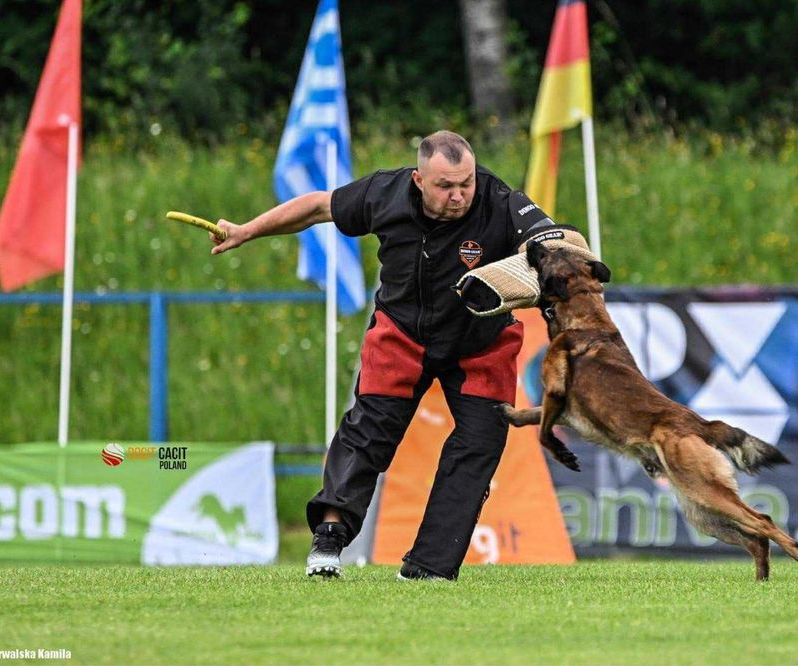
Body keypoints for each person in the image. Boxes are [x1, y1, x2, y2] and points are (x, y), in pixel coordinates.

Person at [211, 130, 555, 581]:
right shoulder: (382, 192)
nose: (458, 196)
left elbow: (554, 237)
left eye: (465, 183)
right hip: (403, 335)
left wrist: (568, 255)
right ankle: (329, 541)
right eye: (445, 186)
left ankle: (429, 567)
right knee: (367, 432)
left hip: (480, 344)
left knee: (481, 443)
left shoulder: (502, 200)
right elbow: (317, 206)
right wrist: (247, 230)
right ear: (418, 180)